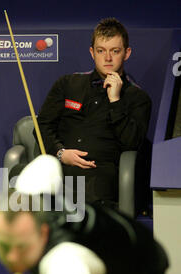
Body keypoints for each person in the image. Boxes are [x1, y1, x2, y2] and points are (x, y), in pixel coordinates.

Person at [0, 156, 168, 274]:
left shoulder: (64, 253)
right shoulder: (28, 194)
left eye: (21, 247)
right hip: (104, 261)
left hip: (143, 270)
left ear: (43, 233)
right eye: (3, 245)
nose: (12, 256)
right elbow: (46, 163)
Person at [34, 17, 152, 206]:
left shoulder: (138, 98)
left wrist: (115, 101)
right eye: (101, 51)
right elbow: (42, 125)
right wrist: (60, 153)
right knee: (21, 191)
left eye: (115, 51)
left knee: (82, 208)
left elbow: (132, 143)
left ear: (126, 53)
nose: (107, 58)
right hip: (58, 167)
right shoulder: (67, 84)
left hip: (99, 177)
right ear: (92, 52)